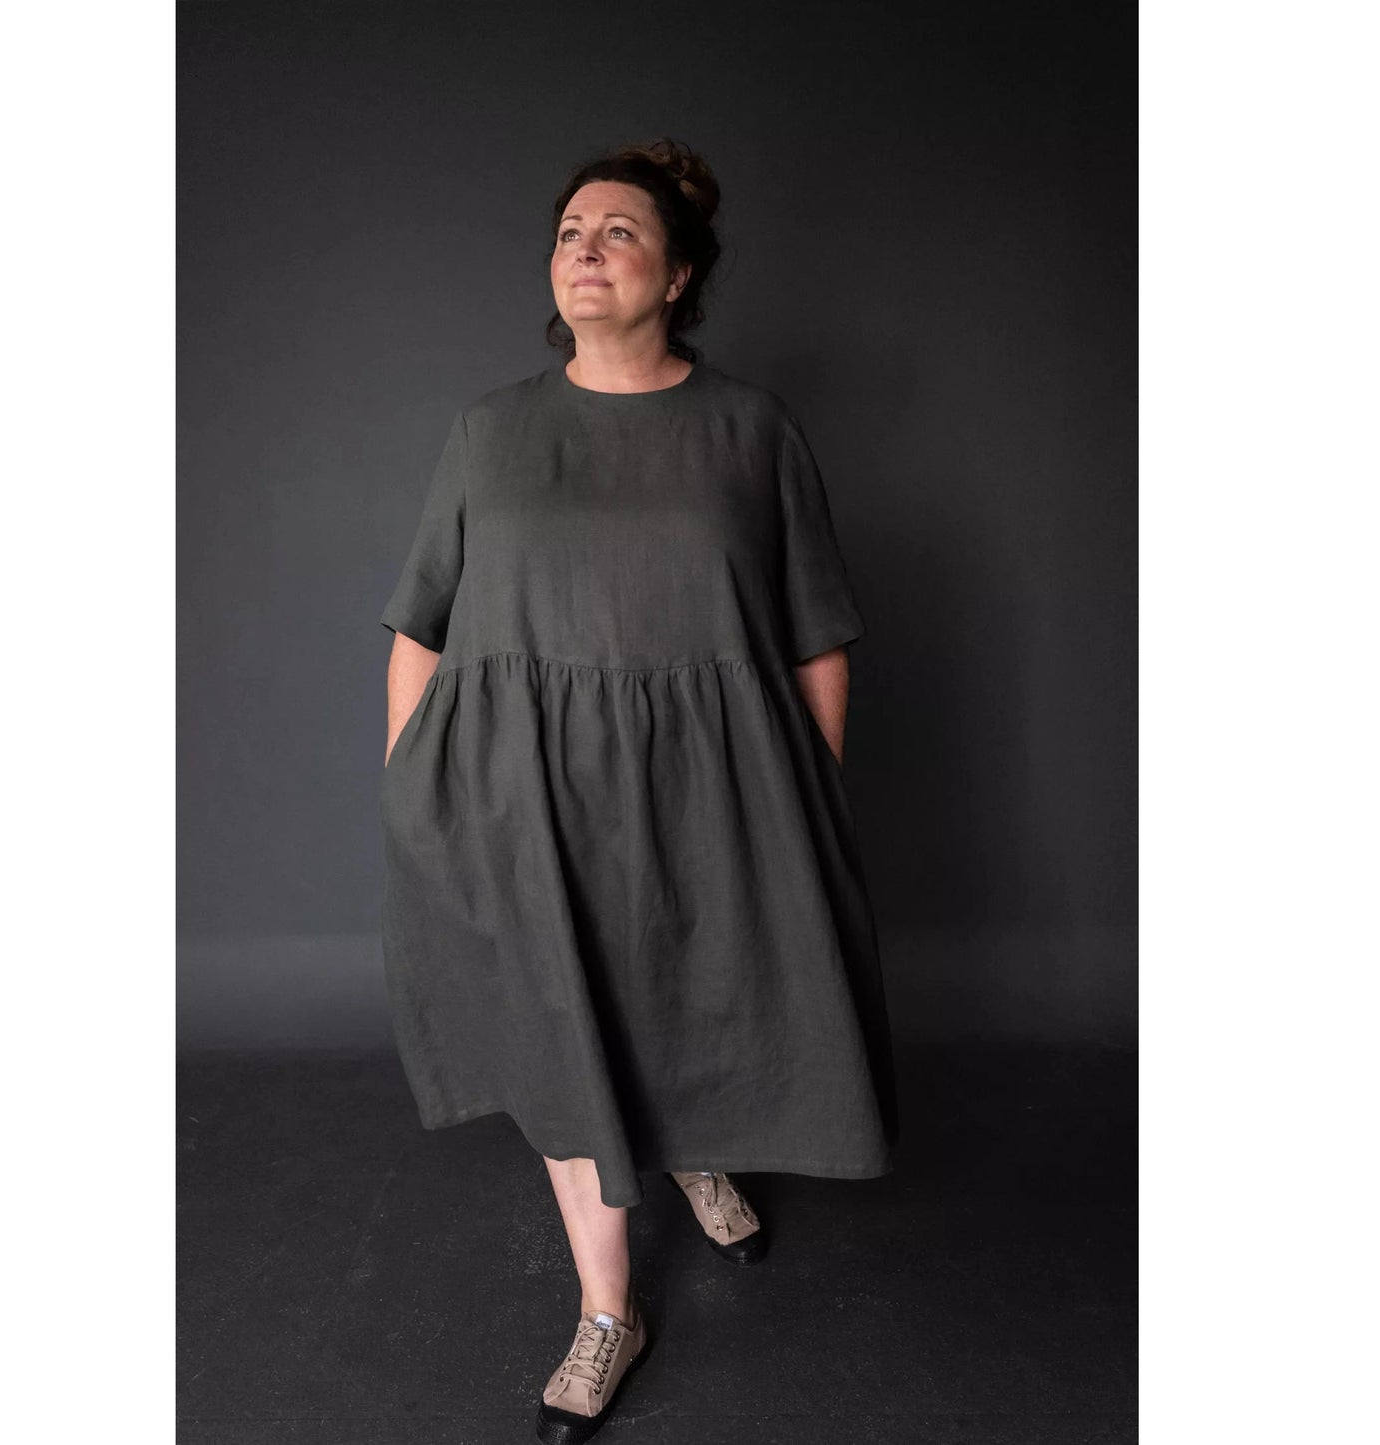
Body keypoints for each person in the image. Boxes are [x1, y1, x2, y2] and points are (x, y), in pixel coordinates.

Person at [378, 136, 900, 1443]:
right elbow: (419, 629)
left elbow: (817, 637)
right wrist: (413, 792)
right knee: (560, 1030)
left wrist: (806, 800)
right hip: (527, 797)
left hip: (713, 794)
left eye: (618, 231)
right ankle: (608, 1307)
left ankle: (694, 1145)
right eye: (569, 231)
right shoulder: (490, 431)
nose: (586, 249)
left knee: (696, 994)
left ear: (676, 276)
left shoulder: (749, 429)